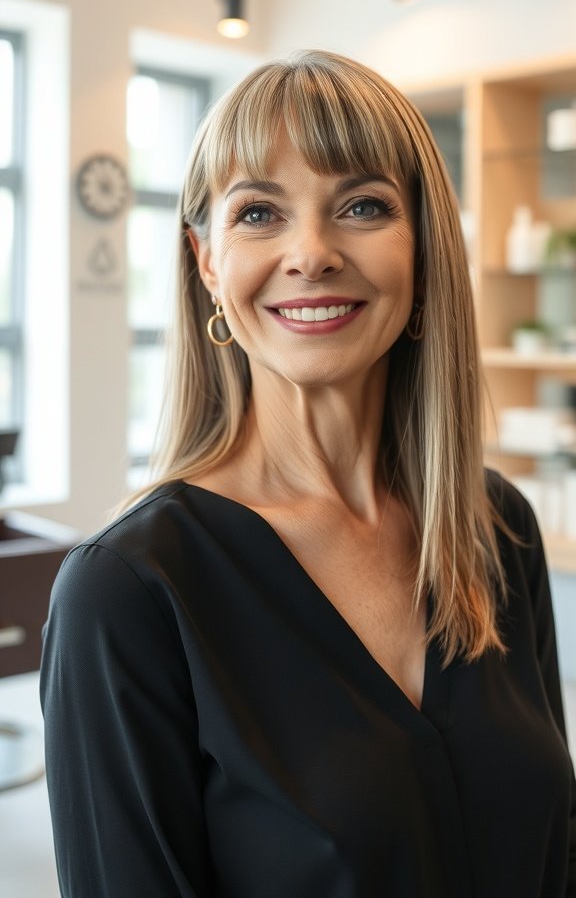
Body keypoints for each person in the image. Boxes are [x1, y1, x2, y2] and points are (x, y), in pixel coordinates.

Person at [40, 50, 575, 898]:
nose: (313, 253)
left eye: (363, 205)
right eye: (259, 214)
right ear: (207, 262)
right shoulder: (129, 592)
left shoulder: (495, 525)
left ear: (425, 247)